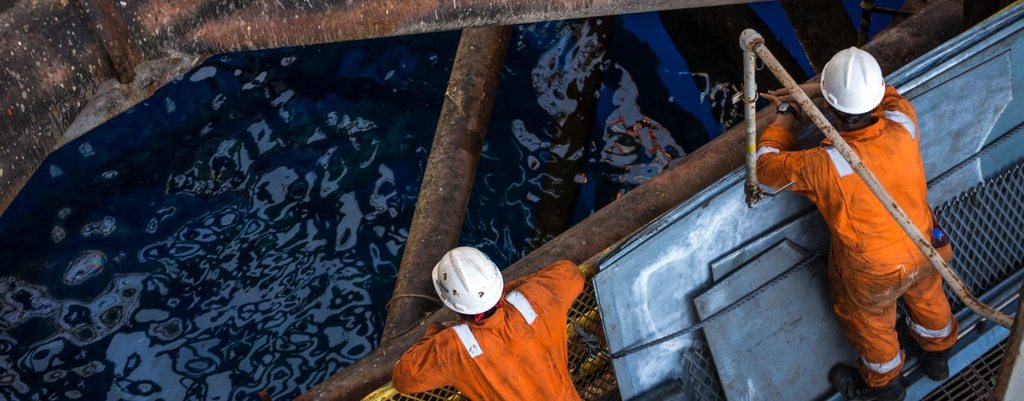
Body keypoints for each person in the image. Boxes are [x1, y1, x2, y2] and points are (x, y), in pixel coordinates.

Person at [756, 47, 958, 401]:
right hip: (924, 243)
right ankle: (938, 358)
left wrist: (787, 112)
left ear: (833, 109)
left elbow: (766, 169)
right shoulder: (904, 121)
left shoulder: (824, 165)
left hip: (873, 273)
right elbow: (887, 94)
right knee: (928, 297)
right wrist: (819, 89)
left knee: (871, 324)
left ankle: (886, 386)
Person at [392, 247, 585, 400]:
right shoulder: (537, 297)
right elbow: (571, 273)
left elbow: (402, 379)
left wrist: (436, 331)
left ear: (449, 301)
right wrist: (515, 291)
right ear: (494, 277)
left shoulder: (452, 347)